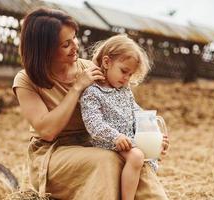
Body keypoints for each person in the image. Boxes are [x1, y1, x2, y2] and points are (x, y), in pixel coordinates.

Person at [13, 7, 169, 200]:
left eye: (74, 38)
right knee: (108, 160)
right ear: (45, 49)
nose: (75, 46)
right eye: (66, 44)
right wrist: (77, 88)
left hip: (95, 142)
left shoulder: (90, 68)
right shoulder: (26, 80)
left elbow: (122, 108)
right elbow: (47, 131)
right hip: (54, 154)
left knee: (136, 158)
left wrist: (151, 138)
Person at [80, 35, 168, 200]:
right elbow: (93, 123)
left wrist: (155, 135)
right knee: (136, 156)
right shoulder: (92, 92)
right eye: (124, 71)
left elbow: (137, 112)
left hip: (127, 141)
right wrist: (115, 136)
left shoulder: (124, 91)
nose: (126, 78)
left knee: (147, 154)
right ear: (107, 63)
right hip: (107, 142)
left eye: (130, 74)